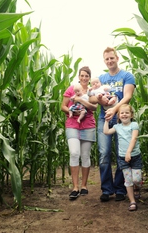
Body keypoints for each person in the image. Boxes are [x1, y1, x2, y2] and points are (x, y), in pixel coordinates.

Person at [89, 47, 136, 202]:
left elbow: (127, 96)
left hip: (122, 121)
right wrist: (100, 100)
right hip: (105, 120)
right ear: (104, 61)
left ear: (117, 58)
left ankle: (120, 189)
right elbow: (91, 98)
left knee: (122, 155)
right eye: (107, 59)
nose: (109, 61)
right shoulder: (101, 78)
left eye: (112, 58)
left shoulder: (127, 76)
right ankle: (107, 189)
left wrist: (115, 109)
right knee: (104, 154)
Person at [61, 66, 97, 200]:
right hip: (72, 125)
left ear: (89, 78)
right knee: (74, 153)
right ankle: (75, 187)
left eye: (87, 76)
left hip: (88, 125)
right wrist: (71, 111)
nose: (84, 78)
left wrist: (81, 100)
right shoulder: (72, 89)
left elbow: (94, 107)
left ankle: (84, 186)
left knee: (85, 155)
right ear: (78, 76)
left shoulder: (92, 91)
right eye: (82, 75)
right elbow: (63, 106)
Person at [103, 104, 142, 211]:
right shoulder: (117, 127)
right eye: (122, 113)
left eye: (127, 113)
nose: (124, 115)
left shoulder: (134, 125)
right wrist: (106, 121)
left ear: (131, 115)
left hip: (135, 156)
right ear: (118, 116)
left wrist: (128, 152)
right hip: (122, 158)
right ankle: (132, 201)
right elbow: (106, 132)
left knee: (137, 179)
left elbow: (134, 139)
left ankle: (137, 188)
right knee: (128, 180)